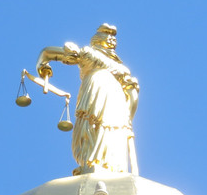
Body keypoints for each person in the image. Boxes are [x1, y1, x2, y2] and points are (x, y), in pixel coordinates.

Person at [36, 23, 139, 175]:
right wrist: (42, 65)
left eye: (113, 37)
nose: (112, 40)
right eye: (107, 36)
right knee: (93, 124)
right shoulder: (87, 53)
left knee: (114, 131)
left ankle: (111, 166)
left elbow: (132, 92)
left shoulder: (123, 69)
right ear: (98, 39)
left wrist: (128, 117)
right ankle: (90, 160)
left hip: (116, 100)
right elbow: (47, 52)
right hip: (97, 90)